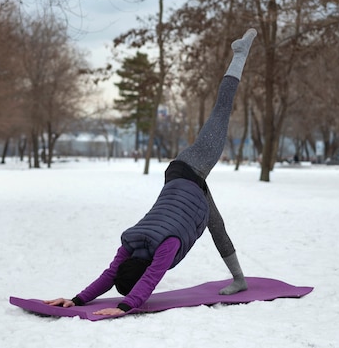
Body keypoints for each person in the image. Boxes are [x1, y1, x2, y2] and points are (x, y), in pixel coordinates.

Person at [45, 28, 258, 316]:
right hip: (184, 186)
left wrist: (125, 306)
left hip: (192, 165)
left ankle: (240, 53)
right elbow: (110, 275)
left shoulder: (164, 247)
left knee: (221, 111)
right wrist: (77, 300)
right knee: (216, 225)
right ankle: (240, 279)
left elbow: (149, 280)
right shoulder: (130, 244)